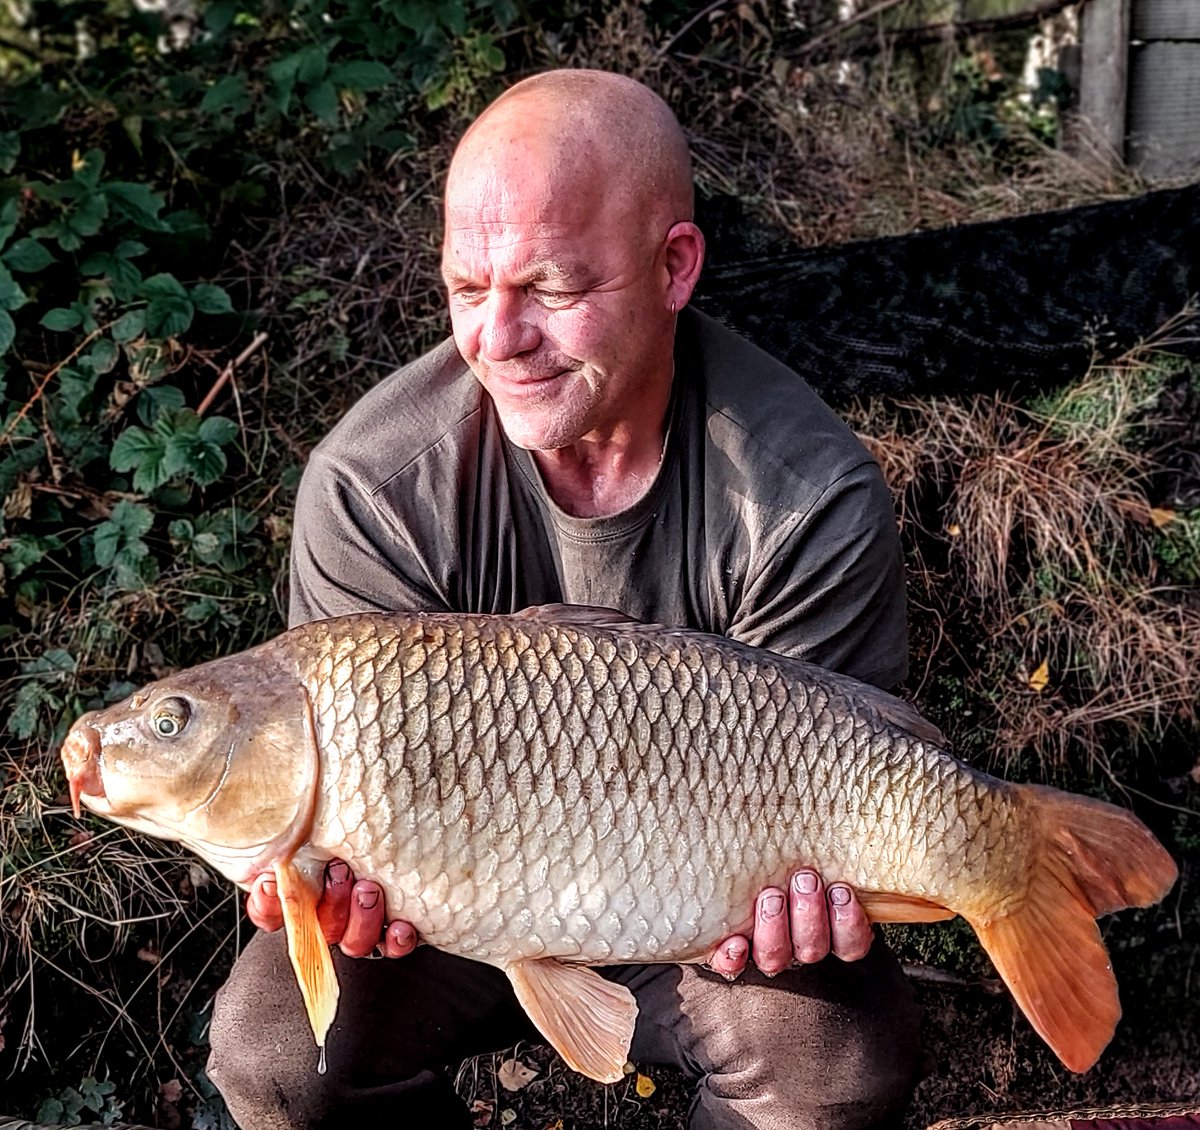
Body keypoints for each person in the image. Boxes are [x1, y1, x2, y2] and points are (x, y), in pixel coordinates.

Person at [207, 69, 921, 1130]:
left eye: (548, 288)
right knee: (275, 1046)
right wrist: (324, 888)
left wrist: (809, 901)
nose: (497, 337)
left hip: (699, 912)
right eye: (465, 288)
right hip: (446, 910)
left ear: (673, 267)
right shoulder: (373, 486)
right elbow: (326, 823)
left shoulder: (803, 494)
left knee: (828, 1055)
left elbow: (835, 791)